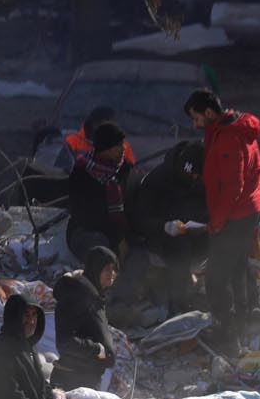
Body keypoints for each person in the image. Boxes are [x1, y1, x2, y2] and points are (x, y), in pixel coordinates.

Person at [186, 89, 260, 344]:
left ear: (209, 112)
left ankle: (227, 333)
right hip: (247, 209)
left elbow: (232, 186)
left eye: (196, 117)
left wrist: (217, 222)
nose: (194, 123)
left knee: (218, 278)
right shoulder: (228, 128)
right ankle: (248, 319)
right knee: (239, 267)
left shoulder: (229, 138)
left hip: (235, 215)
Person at [130, 140, 208, 317]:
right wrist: (164, 226)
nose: (196, 180)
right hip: (162, 237)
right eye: (193, 176)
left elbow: (205, 205)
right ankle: (178, 305)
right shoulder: (157, 180)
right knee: (180, 246)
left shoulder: (199, 179)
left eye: (199, 177)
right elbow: (141, 220)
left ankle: (221, 302)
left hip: (195, 233)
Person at [52, 247, 119, 391]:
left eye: (115, 269)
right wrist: (97, 349)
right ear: (96, 267)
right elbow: (65, 342)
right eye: (107, 268)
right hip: (72, 381)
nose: (112, 274)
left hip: (83, 379)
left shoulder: (93, 296)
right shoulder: (78, 295)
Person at [66, 122, 133, 262]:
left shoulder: (125, 169)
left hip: (117, 233)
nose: (123, 149)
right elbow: (87, 216)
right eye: (118, 145)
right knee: (101, 253)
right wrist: (118, 239)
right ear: (106, 148)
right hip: (86, 231)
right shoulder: (82, 173)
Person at [55, 105, 134, 173]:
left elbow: (131, 174)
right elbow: (60, 171)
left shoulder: (123, 146)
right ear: (93, 124)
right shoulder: (73, 141)